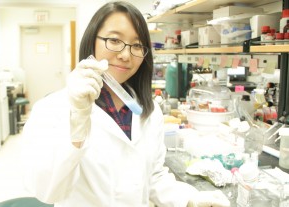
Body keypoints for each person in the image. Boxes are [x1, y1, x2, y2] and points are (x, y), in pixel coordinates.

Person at [21, 1, 230, 207]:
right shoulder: (52, 108)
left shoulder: (148, 110)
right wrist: (77, 123)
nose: (125, 55)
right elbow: (47, 190)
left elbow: (154, 176)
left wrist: (189, 199)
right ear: (91, 41)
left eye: (137, 45)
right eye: (114, 40)